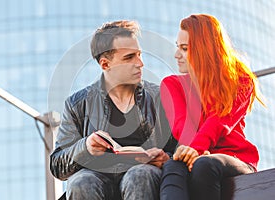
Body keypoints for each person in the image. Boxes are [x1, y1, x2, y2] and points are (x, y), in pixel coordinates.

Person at [50, 20, 177, 200]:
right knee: (80, 182)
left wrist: (167, 159)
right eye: (129, 57)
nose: (140, 63)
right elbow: (57, 165)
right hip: (95, 180)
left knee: (140, 175)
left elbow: (182, 147)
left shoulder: (160, 97)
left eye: (139, 54)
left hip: (144, 177)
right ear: (105, 64)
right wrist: (85, 147)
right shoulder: (77, 103)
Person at [159, 14, 264, 200]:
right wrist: (193, 150)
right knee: (173, 165)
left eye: (184, 48)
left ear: (203, 48)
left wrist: (197, 149)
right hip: (194, 154)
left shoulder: (241, 80)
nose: (176, 55)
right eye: (177, 47)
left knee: (204, 164)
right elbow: (181, 126)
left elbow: (220, 120)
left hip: (234, 159)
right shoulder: (171, 84)